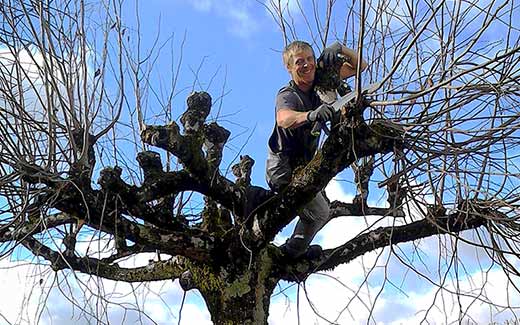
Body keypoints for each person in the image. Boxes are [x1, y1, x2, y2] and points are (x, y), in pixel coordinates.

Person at [266, 40, 367, 259]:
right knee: (320, 212)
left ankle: (293, 248)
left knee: (319, 208)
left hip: (305, 165)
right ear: (290, 67)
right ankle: (290, 254)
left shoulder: (321, 84)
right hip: (284, 170)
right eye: (299, 62)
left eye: (309, 59)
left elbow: (361, 66)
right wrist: (309, 115)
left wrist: (340, 48)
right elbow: (284, 119)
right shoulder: (288, 94)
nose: (306, 65)